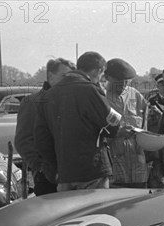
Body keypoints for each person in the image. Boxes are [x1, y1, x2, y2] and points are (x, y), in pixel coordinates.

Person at [35, 51, 121, 192]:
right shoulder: (90, 90)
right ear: (98, 70)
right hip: (92, 171)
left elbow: (41, 140)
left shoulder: (48, 95)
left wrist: (56, 169)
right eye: (101, 74)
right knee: (95, 212)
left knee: (71, 214)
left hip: (64, 173)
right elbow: (112, 127)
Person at [14, 58, 75, 196]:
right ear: (51, 77)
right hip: (48, 177)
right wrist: (41, 168)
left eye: (71, 77)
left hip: (73, 174)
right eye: (64, 76)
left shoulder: (72, 101)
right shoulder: (32, 102)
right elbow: (23, 141)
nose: (68, 81)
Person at [103, 58, 148, 188]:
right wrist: (117, 133)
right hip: (114, 165)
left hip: (138, 165)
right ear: (107, 77)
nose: (123, 85)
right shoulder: (101, 97)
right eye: (118, 81)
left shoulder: (136, 95)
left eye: (126, 81)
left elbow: (144, 124)